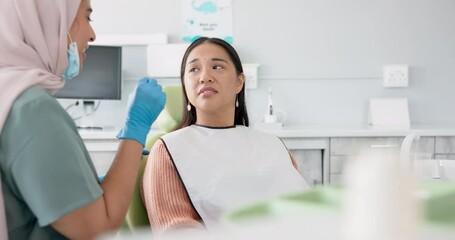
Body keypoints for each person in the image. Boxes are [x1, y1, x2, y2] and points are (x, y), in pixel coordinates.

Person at [0, 0, 166, 239]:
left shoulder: (7, 90)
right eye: (88, 18)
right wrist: (135, 129)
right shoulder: (32, 108)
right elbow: (97, 228)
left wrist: (83, 188)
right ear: (48, 20)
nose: (92, 35)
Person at [142, 37, 308, 233]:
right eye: (194, 69)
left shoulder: (274, 145)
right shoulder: (168, 150)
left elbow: (307, 213)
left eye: (217, 67)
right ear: (185, 86)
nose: (205, 76)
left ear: (239, 82)